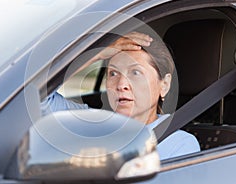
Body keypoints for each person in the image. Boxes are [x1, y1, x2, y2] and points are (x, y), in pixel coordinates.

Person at [41, 31, 200, 160]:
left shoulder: (180, 144)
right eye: (113, 73)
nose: (121, 84)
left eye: (135, 72)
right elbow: (38, 100)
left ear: (164, 85)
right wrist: (96, 54)